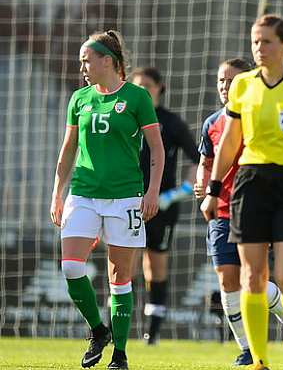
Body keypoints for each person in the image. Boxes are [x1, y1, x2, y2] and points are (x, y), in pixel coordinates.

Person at [201, 14, 283, 370]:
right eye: (255, 41)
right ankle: (258, 360)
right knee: (252, 277)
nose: (260, 48)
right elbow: (229, 142)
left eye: (267, 41)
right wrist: (213, 188)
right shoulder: (243, 85)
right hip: (250, 183)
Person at [50, 30, 164, 370]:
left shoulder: (137, 97)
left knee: (120, 276)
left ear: (108, 61)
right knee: (71, 267)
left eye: (87, 59)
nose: (82, 66)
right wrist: (58, 192)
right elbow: (69, 149)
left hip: (125, 198)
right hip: (83, 193)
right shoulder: (79, 99)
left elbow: (156, 149)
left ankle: (121, 354)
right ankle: (99, 330)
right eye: (81, 60)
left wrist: (152, 191)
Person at [194, 58, 283, 366]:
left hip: (254, 208)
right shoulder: (212, 123)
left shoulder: (261, 115)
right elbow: (206, 163)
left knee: (253, 281)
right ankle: (247, 349)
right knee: (227, 279)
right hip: (221, 210)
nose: (224, 86)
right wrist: (202, 185)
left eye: (231, 80)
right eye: (221, 80)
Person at [129, 66, 200, 345]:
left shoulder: (171, 122)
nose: (143, 90)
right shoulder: (126, 117)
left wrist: (176, 194)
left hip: (162, 207)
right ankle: (110, 329)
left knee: (155, 268)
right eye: (137, 86)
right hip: (128, 204)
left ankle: (152, 334)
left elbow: (198, 159)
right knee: (125, 266)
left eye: (147, 85)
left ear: (160, 88)